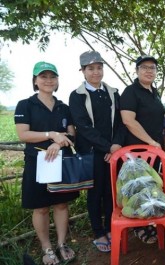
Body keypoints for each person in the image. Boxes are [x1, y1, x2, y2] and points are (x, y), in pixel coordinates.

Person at [14, 61, 77, 264]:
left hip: (61, 160)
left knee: (61, 204)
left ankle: (61, 243)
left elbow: (72, 134)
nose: (48, 81)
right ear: (35, 80)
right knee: (40, 207)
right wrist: (51, 135)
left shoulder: (64, 107)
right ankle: (46, 247)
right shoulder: (25, 105)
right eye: (43, 77)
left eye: (52, 77)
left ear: (57, 81)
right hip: (36, 162)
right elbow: (24, 134)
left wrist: (58, 144)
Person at [69, 51, 126, 252]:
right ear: (83, 71)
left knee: (111, 192)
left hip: (113, 152)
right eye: (91, 68)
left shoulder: (112, 92)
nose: (96, 72)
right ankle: (98, 232)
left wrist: (116, 146)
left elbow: (121, 123)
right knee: (95, 193)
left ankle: (111, 228)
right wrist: (107, 146)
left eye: (99, 68)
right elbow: (83, 127)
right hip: (92, 152)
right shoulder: (77, 96)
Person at [119, 55, 165, 244]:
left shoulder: (154, 92)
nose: (149, 70)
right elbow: (128, 120)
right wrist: (150, 142)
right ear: (137, 71)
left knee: (151, 188)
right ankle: (138, 227)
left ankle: (149, 222)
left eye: (152, 68)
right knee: (136, 188)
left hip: (154, 151)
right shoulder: (131, 91)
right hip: (136, 152)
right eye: (144, 67)